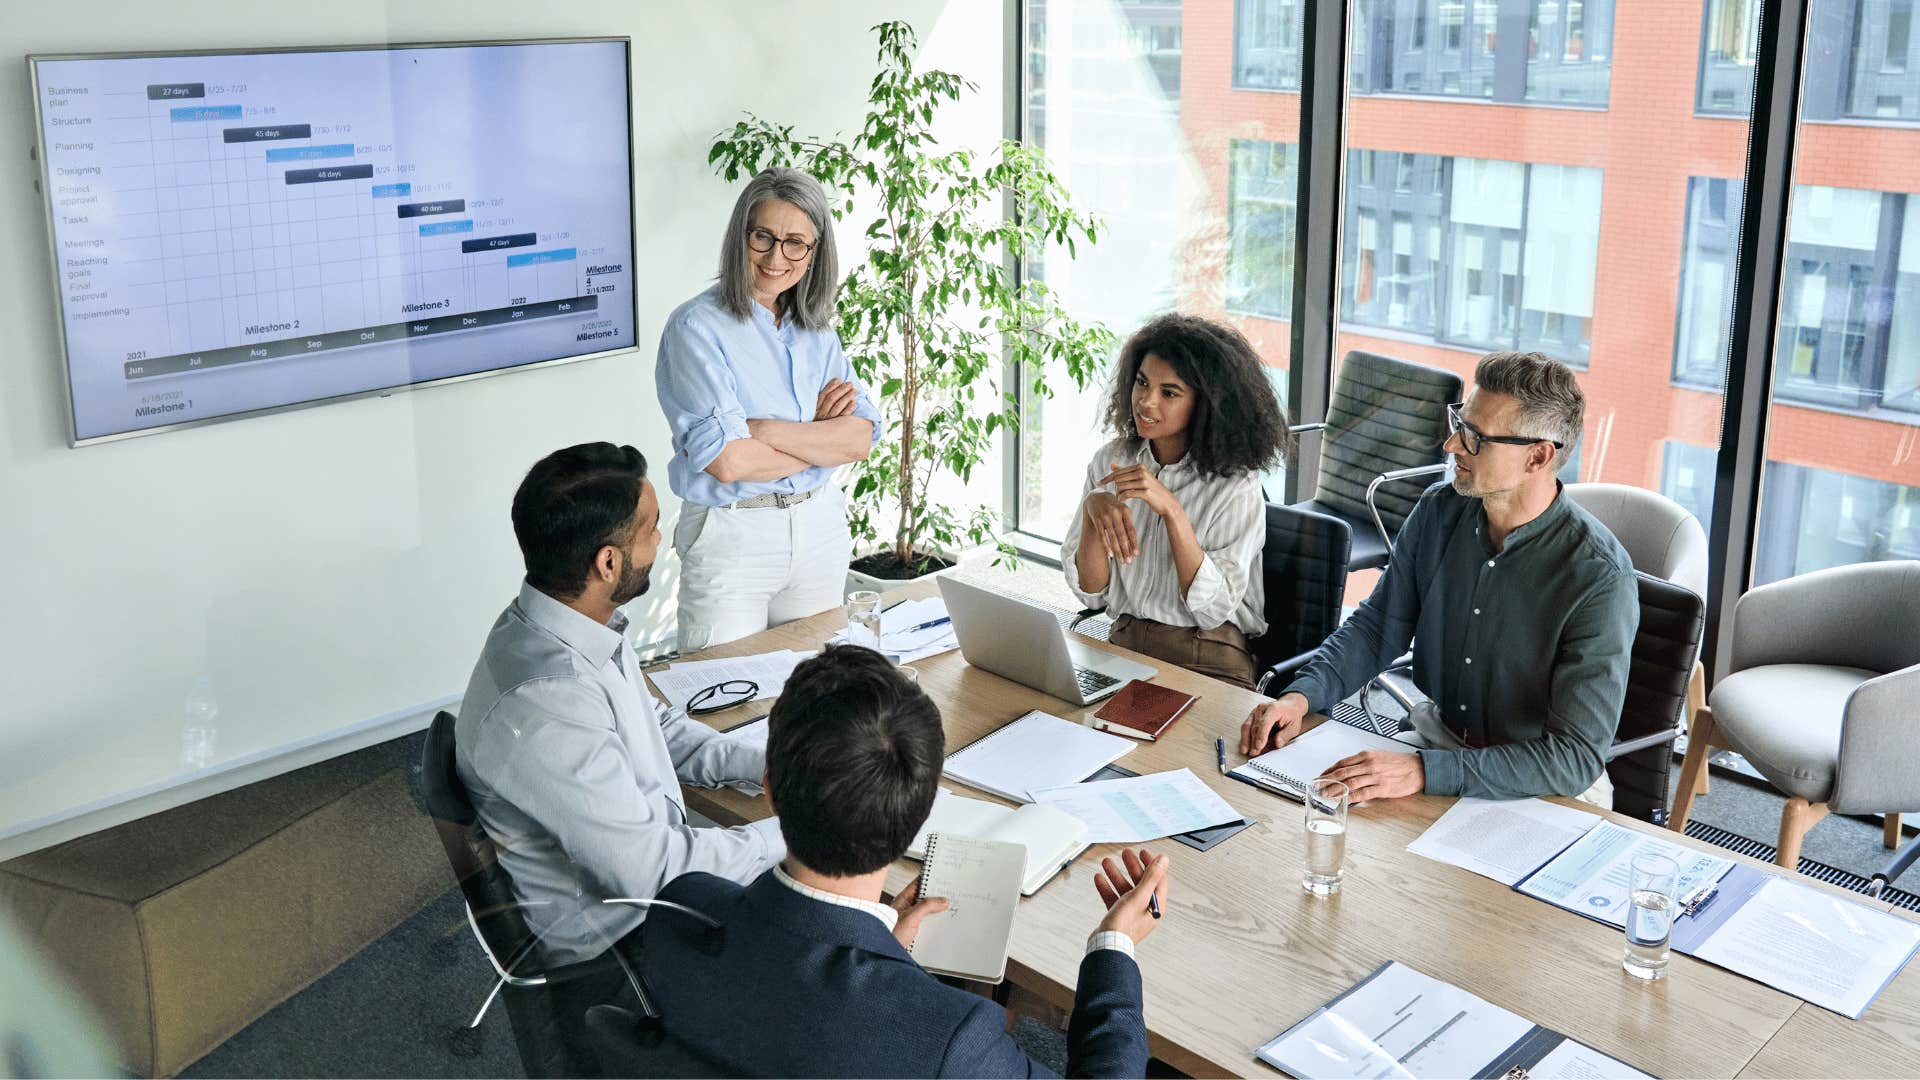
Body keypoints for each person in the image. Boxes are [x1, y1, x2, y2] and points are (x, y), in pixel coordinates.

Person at [640, 644, 1167, 1077]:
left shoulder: (678, 912)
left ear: (770, 791)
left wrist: (884, 950)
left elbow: (791, 1011)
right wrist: (1114, 947)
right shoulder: (948, 1036)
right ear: (918, 818)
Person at [1239, 352, 1637, 806]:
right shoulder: (1437, 510)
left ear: (1538, 456)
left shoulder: (1600, 577)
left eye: (1475, 437)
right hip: (1436, 742)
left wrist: (1425, 771)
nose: (1451, 446)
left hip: (1542, 785)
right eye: (1458, 423)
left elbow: (1572, 758)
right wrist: (1300, 699)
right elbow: (1375, 629)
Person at [455, 443, 783, 967]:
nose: (664, 541)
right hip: (624, 946)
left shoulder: (563, 625)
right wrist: (803, 828)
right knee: (838, 925)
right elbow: (657, 873)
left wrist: (768, 764)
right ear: (608, 562)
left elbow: (653, 726)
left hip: (646, 885)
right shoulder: (546, 704)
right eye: (651, 528)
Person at [656, 167, 880, 652]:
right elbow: (729, 461)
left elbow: (859, 438)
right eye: (764, 237)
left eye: (796, 242)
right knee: (725, 700)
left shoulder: (817, 328)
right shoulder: (696, 327)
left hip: (818, 530)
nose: (778, 256)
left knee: (819, 701)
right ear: (742, 236)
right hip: (734, 534)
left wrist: (764, 430)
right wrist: (820, 439)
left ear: (815, 251)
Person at [1061, 314, 1293, 689]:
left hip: (1208, 658)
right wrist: (1092, 511)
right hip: (1125, 645)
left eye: (1169, 393)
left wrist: (1171, 509)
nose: (1146, 402)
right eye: (1141, 383)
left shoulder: (1235, 485)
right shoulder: (1110, 461)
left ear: (1207, 404)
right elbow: (1092, 593)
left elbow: (1213, 610)